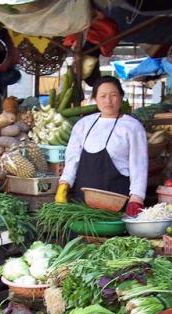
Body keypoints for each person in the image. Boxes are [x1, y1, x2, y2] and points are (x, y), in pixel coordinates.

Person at [54, 76, 147, 217]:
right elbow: (73, 158)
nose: (108, 101)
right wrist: (64, 183)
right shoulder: (83, 124)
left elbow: (139, 165)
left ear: (121, 97)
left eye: (113, 95)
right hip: (82, 203)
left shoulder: (132, 127)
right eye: (103, 96)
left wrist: (137, 198)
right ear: (95, 99)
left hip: (116, 201)